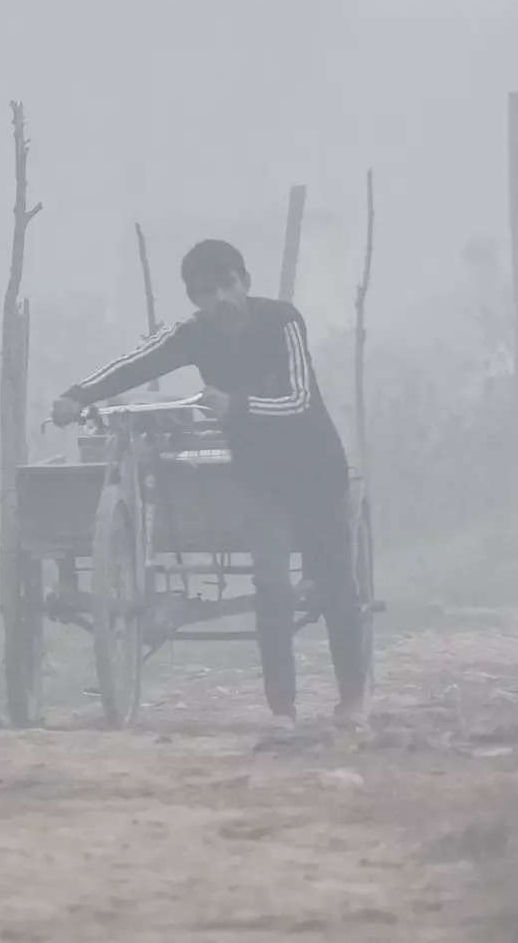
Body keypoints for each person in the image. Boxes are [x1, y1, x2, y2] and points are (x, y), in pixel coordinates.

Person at [51, 238, 367, 733]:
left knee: (334, 584)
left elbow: (300, 400)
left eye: (226, 285)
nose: (219, 299)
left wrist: (237, 407)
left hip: (315, 470)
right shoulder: (194, 334)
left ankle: (351, 699)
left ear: (244, 281)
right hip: (260, 478)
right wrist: (77, 395)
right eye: (205, 292)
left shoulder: (282, 321)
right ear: (195, 299)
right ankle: (282, 709)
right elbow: (138, 362)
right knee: (270, 584)